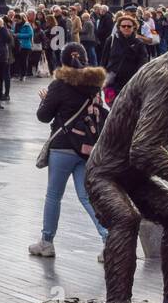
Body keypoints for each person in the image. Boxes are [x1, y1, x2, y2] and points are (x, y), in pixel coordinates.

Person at [29, 42, 109, 259]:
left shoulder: (59, 85)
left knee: (54, 196)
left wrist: (45, 100)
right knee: (86, 196)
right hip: (87, 148)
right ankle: (108, 238)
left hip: (63, 147)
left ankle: (47, 242)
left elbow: (43, 116)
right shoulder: (95, 86)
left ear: (62, 61)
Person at [105, 12, 150, 102]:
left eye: (129, 26)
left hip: (131, 83)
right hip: (112, 82)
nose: (126, 28)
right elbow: (104, 60)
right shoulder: (111, 40)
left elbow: (143, 62)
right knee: (113, 109)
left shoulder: (139, 43)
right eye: (123, 26)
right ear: (119, 27)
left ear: (134, 27)